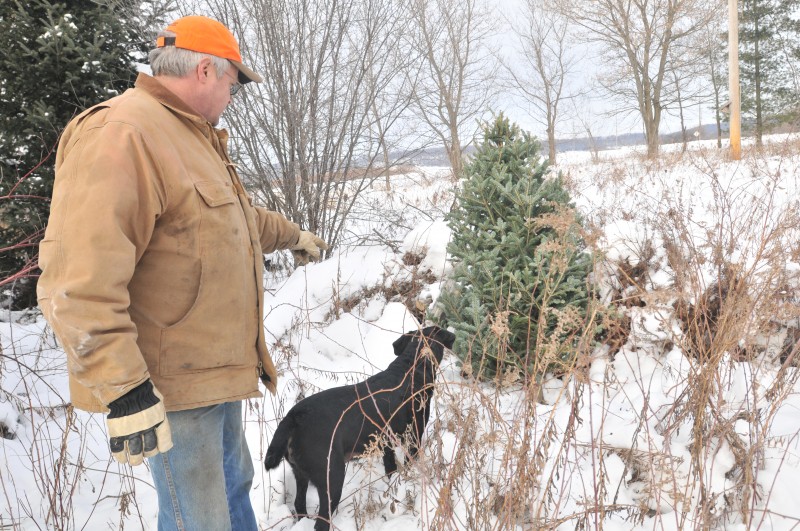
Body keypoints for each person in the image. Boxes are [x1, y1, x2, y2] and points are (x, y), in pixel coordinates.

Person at [36, 15, 327, 530]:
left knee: (233, 492)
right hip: (172, 385)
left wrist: (294, 236)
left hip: (216, 371)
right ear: (205, 70)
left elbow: (237, 221)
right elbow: (77, 280)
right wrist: (123, 386)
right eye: (234, 83)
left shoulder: (190, 137)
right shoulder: (123, 132)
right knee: (200, 519)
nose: (233, 96)